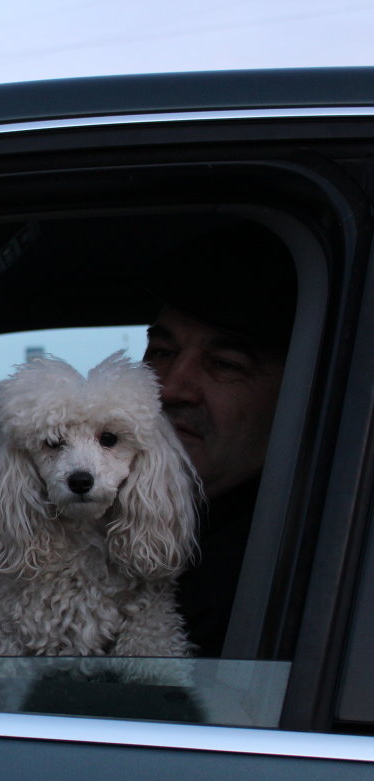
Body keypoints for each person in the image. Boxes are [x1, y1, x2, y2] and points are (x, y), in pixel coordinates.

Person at [142, 221, 297, 657]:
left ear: (296, 393)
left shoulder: (271, 573)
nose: (171, 387)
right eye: (161, 352)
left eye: (225, 364)